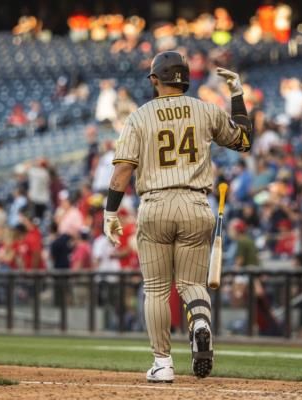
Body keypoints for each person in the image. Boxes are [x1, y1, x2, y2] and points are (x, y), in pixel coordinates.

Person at [103, 51, 252, 382]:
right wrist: (237, 95)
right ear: (185, 79)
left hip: (155, 204)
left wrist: (110, 210)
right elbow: (243, 141)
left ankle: (163, 363)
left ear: (155, 80)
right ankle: (200, 322)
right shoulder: (205, 110)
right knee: (192, 284)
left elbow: (123, 170)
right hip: (196, 204)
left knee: (156, 288)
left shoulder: (139, 117)